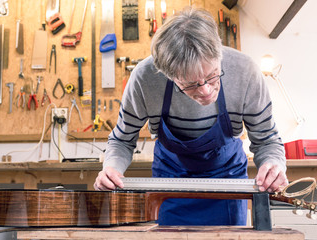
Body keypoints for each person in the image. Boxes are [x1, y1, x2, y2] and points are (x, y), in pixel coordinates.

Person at [94, 8, 288, 226]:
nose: (205, 91)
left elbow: (267, 141)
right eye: (190, 83)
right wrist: (111, 168)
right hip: (170, 184)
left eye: (212, 76)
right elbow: (122, 140)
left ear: (219, 56)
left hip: (227, 181)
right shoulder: (145, 78)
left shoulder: (245, 72)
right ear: (167, 73)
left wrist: (273, 165)